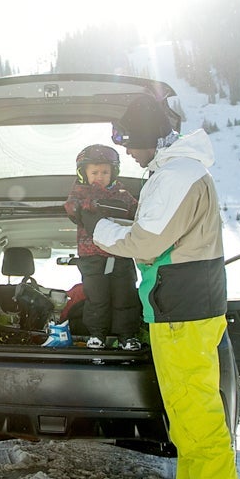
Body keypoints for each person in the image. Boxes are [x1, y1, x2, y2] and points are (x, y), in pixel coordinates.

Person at [78, 93, 240, 479]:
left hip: (184, 312)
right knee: (185, 415)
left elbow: (147, 241)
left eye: (130, 144)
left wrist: (98, 228)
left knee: (200, 419)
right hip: (181, 308)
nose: (128, 155)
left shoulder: (177, 174)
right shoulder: (176, 171)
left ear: (151, 139)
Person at [63, 143, 142, 349]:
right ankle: (96, 334)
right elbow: (71, 209)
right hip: (92, 257)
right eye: (95, 172)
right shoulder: (79, 193)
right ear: (84, 173)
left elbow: (136, 211)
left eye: (105, 172)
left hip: (120, 254)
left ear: (113, 172)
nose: (100, 176)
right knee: (97, 298)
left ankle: (127, 336)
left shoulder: (121, 192)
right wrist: (92, 200)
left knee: (125, 297)